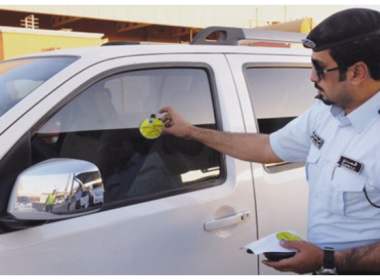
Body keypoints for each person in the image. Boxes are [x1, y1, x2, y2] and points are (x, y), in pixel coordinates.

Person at [159, 8, 380, 276]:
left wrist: (327, 258)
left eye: (319, 68)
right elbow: (267, 147)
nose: (311, 77)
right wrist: (192, 131)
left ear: (357, 72)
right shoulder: (325, 113)